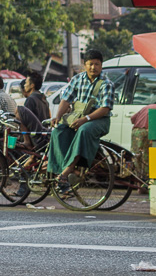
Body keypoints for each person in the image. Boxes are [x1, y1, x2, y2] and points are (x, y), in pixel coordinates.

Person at [48, 49, 114, 191]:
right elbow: (66, 100)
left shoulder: (106, 83)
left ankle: (67, 171)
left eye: (97, 64)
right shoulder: (77, 79)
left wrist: (86, 119)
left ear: (101, 66)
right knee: (58, 131)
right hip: (78, 117)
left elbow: (105, 108)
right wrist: (58, 117)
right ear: (85, 65)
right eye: (90, 64)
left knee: (84, 130)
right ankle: (63, 172)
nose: (93, 67)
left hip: (99, 120)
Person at [130, 98, 156, 191]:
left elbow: (132, 119)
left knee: (136, 156)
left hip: (136, 131)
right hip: (149, 132)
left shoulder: (145, 107)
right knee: (146, 157)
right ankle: (145, 184)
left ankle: (137, 181)